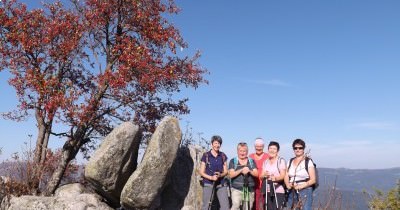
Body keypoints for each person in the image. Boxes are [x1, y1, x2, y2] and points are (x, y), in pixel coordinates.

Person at [284, 139, 316, 210]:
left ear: (303, 149)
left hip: (305, 190)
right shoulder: (290, 161)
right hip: (292, 190)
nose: (297, 150)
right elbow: (286, 174)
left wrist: (301, 186)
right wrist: (287, 185)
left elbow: (313, 180)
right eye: (295, 148)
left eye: (300, 148)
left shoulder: (308, 161)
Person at [199, 135, 230, 210]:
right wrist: (211, 177)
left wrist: (220, 175)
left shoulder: (222, 156)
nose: (217, 145)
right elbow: (201, 172)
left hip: (221, 183)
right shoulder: (206, 156)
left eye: (219, 143)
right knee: (206, 206)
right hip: (208, 183)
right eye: (215, 143)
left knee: (225, 206)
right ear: (212, 144)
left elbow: (226, 171)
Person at [229, 142, 259, 210]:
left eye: (244, 151)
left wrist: (249, 171)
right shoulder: (233, 161)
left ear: (247, 152)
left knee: (248, 208)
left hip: (249, 189)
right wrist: (241, 170)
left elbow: (256, 174)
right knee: (235, 206)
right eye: (240, 151)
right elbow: (231, 175)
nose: (242, 153)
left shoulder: (251, 161)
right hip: (236, 189)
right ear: (237, 151)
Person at [261, 141, 286, 210]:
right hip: (267, 190)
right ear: (268, 149)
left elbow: (283, 175)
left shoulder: (280, 161)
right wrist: (264, 175)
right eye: (270, 148)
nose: (272, 150)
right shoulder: (265, 162)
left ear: (277, 151)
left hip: (278, 190)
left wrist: (275, 178)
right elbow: (261, 176)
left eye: (274, 149)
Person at [249, 138, 269, 210]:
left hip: (264, 185)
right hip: (253, 185)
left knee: (262, 205)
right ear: (254, 146)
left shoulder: (267, 156)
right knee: (253, 205)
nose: (259, 148)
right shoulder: (250, 157)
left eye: (260, 146)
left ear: (263, 146)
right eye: (257, 146)